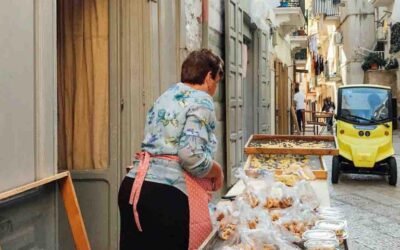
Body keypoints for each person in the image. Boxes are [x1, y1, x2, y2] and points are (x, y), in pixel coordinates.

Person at [118, 49, 225, 250]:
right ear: (209, 76)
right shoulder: (202, 100)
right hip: (167, 198)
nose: (215, 88)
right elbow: (190, 156)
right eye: (217, 81)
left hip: (134, 189)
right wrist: (217, 171)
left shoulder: (166, 95)